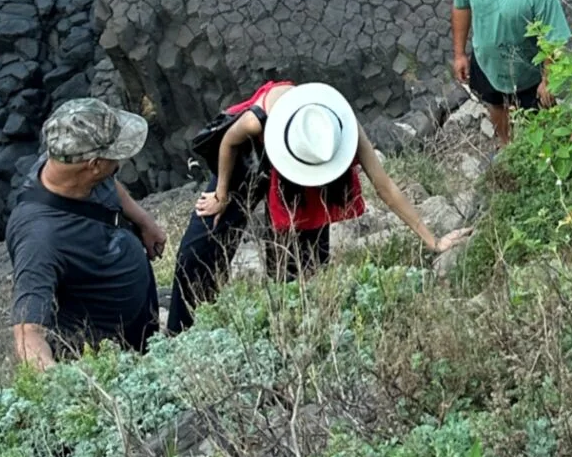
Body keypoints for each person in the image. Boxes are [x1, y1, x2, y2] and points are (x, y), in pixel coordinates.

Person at [168, 78, 466, 335]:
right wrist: (221, 194)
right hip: (250, 154)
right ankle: (184, 331)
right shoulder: (256, 121)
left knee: (299, 266)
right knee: (198, 250)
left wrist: (434, 241)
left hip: (303, 165)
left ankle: (291, 320)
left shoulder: (340, 129)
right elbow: (228, 144)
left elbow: (385, 186)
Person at [6, 97, 168, 370]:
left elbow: (110, 182)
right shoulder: (40, 239)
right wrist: (60, 384)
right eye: (115, 155)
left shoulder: (64, 162)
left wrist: (144, 221)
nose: (121, 159)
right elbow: (27, 331)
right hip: (106, 349)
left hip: (138, 311)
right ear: (93, 164)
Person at [450, 0, 571, 145]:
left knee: (542, 122)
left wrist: (548, 80)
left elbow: (554, 40)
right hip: (486, 62)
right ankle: (506, 144)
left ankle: (542, 156)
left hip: (529, 75)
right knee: (494, 103)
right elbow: (461, 6)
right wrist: (459, 54)